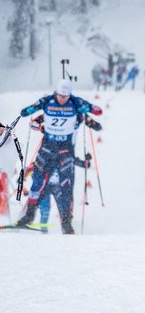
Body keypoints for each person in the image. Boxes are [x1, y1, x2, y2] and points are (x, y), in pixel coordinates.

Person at [15, 79, 103, 234]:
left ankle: (66, 223)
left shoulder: (76, 103)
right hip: (48, 148)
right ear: (56, 93)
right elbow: (29, 113)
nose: (63, 99)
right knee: (37, 183)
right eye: (60, 96)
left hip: (65, 151)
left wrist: (92, 111)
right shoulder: (47, 101)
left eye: (66, 96)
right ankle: (28, 217)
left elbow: (95, 113)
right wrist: (34, 119)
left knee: (66, 187)